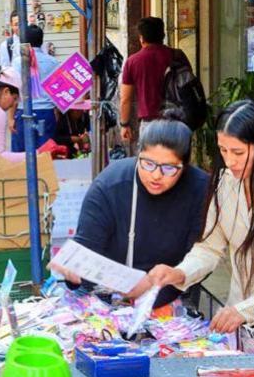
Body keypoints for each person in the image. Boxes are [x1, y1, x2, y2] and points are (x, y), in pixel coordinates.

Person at [143, 100, 254, 350]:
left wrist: (246, 310)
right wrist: (180, 272)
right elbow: (209, 247)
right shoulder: (225, 182)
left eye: (238, 152)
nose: (230, 161)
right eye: (223, 150)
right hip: (240, 324)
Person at [49, 119, 209, 307]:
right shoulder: (111, 184)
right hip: (108, 291)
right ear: (138, 154)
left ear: (184, 165)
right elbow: (87, 245)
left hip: (174, 289)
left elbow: (203, 254)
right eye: (148, 163)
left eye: (169, 168)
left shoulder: (201, 189)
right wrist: (73, 268)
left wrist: (155, 285)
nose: (156, 175)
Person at [119, 17, 191, 145]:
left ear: (141, 38)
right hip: (177, 122)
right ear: (163, 35)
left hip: (150, 125)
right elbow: (189, 84)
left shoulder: (133, 61)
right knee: (175, 162)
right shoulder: (177, 55)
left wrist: (124, 124)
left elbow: (125, 99)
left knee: (150, 163)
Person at [10, 25, 60, 151]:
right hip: (46, 111)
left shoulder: (17, 62)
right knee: (46, 155)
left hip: (23, 110)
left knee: (21, 156)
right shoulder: (53, 62)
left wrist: (11, 117)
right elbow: (58, 91)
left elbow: (14, 90)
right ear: (41, 40)